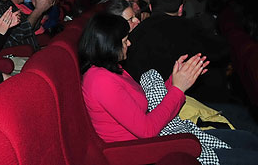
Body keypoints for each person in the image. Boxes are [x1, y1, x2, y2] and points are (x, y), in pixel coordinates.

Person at [79, 13, 258, 165]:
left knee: (248, 139)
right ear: (107, 45)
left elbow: (144, 102)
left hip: (157, 138)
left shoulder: (112, 68)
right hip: (146, 151)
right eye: (125, 40)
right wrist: (178, 90)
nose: (130, 44)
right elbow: (147, 131)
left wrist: (176, 79)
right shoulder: (100, 81)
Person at [124, 0, 230, 103]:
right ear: (180, 9)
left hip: (143, 102)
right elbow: (222, 51)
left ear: (151, 7)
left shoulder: (134, 34)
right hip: (192, 102)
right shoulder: (193, 29)